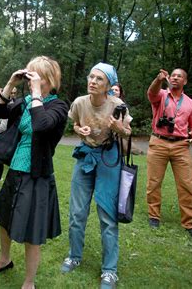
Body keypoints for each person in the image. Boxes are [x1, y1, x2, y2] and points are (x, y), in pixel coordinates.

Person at [0, 56, 68, 289]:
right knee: (4, 220)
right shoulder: (24, 102)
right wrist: (11, 84)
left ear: (49, 79)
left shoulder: (58, 106)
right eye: (28, 73)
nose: (30, 78)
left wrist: (36, 95)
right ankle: (5, 259)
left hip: (36, 176)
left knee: (32, 231)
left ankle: (29, 282)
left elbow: (41, 124)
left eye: (36, 75)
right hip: (15, 170)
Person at [60, 63, 132, 289]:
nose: (92, 81)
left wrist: (119, 128)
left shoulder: (118, 105)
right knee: (77, 212)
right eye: (91, 77)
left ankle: (109, 271)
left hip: (109, 159)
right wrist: (78, 129)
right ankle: (74, 255)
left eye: (99, 79)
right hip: (85, 157)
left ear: (108, 85)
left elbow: (128, 133)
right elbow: (75, 123)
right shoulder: (80, 102)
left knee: (107, 216)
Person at [146, 68, 192, 241]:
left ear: (185, 81)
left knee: (187, 185)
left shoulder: (191, 104)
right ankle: (154, 216)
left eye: (179, 76)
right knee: (154, 182)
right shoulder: (161, 95)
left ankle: (190, 223)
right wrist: (158, 80)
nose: (175, 78)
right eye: (173, 75)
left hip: (181, 145)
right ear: (169, 79)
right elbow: (151, 93)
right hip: (159, 142)